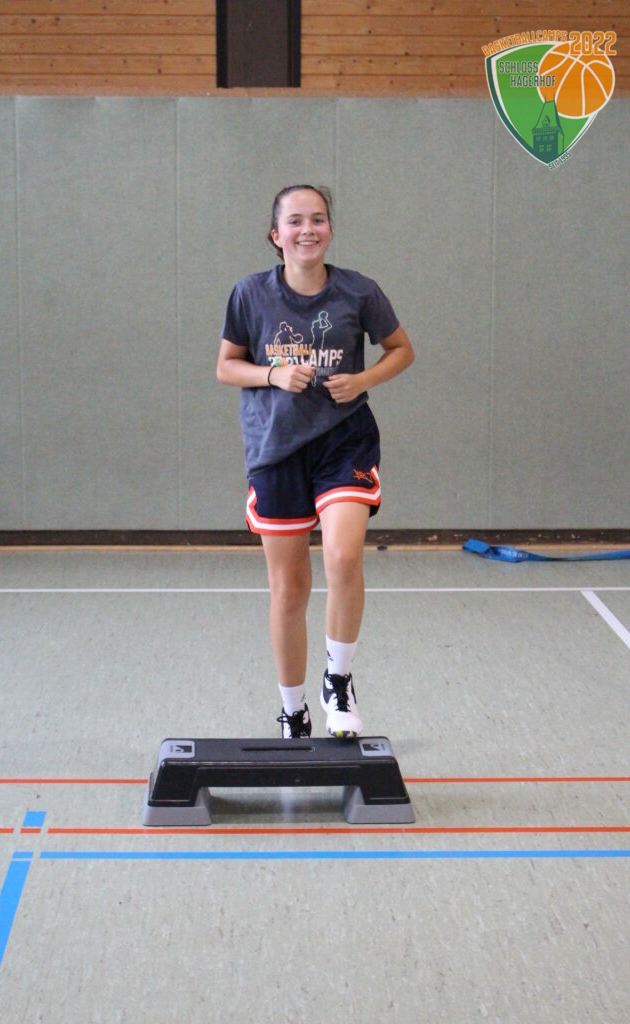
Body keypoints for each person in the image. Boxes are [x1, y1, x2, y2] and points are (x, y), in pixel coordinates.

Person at [217, 185, 414, 739]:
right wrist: (272, 374)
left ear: (330, 229)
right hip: (276, 447)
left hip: (343, 441)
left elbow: (402, 349)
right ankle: (293, 710)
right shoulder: (250, 294)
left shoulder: (359, 291)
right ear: (276, 235)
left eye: (319, 219)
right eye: (296, 221)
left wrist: (364, 379)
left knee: (344, 557)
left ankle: (338, 681)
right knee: (290, 589)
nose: (308, 229)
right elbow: (227, 366)